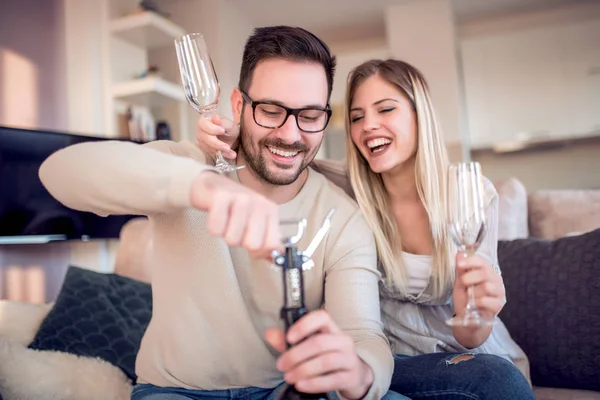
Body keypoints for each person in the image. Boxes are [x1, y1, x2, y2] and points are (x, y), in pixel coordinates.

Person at [39, 26, 396, 400]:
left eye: (309, 116)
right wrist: (201, 185)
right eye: (272, 111)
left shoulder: (342, 217)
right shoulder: (188, 165)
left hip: (284, 390)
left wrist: (359, 374)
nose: (291, 135)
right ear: (239, 105)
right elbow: (60, 171)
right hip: (176, 391)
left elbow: (363, 333)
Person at [197, 59, 536, 399]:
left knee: (495, 380)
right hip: (387, 363)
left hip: (464, 358)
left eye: (385, 110)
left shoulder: (470, 195)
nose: (368, 126)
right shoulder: (347, 188)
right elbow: (286, 155)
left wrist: (477, 312)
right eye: (357, 117)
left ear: (421, 115)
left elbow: (472, 335)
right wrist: (237, 134)